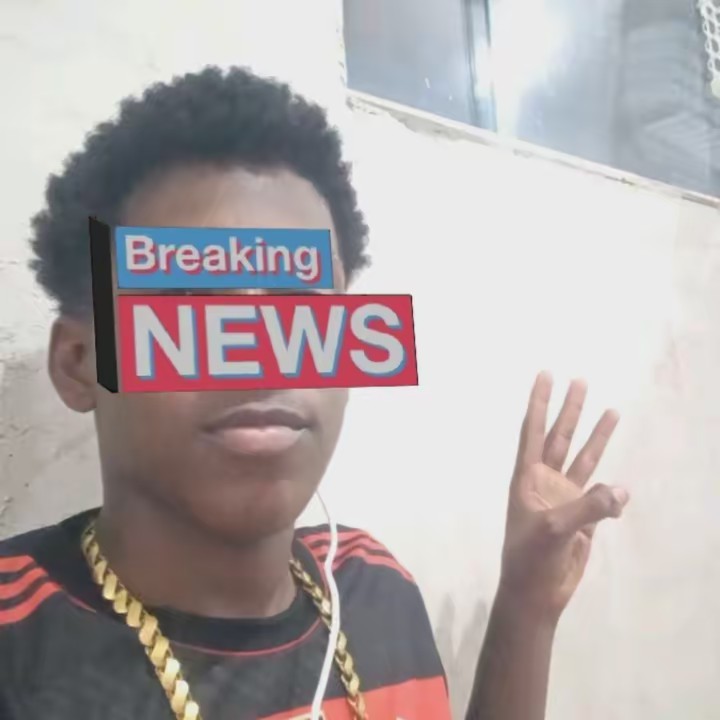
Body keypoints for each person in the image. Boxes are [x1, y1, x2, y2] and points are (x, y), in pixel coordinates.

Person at [0, 66, 629, 720]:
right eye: (192, 305)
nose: (259, 359)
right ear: (80, 364)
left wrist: (526, 608)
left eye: (302, 311)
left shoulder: (373, 584)